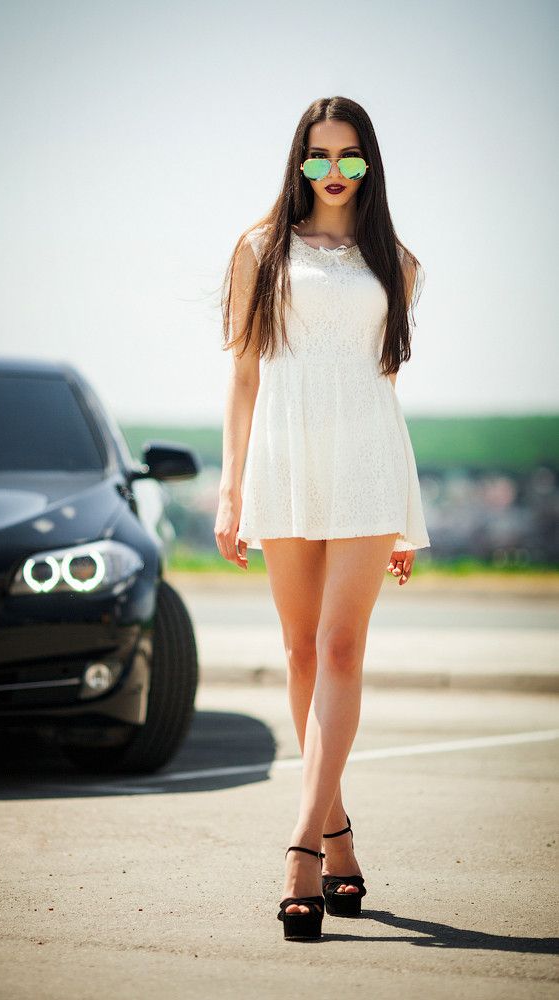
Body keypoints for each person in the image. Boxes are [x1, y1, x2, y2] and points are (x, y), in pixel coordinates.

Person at [214, 96, 431, 942]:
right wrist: (230, 490)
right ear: (297, 164)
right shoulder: (258, 250)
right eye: (316, 157)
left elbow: (385, 381)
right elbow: (241, 377)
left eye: (347, 156)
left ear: (368, 162)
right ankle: (339, 834)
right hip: (284, 461)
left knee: (340, 647)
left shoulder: (397, 261)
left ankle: (300, 849)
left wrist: (402, 517)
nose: (332, 171)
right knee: (301, 651)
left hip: (368, 465)